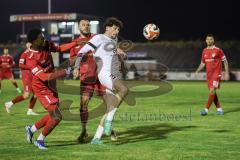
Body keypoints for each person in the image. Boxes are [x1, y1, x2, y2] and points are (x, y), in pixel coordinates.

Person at [75, 17, 128, 144]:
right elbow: (81, 52)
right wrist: (77, 66)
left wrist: (121, 56)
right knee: (124, 90)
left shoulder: (113, 41)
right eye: (115, 28)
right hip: (105, 74)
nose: (117, 32)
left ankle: (96, 138)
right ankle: (109, 121)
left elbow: (114, 54)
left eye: (118, 30)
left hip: (113, 74)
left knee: (110, 107)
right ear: (107, 28)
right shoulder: (98, 38)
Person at [24, 28, 80, 149]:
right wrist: (65, 71)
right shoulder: (30, 58)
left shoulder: (47, 45)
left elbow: (60, 48)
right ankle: (40, 140)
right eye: (41, 37)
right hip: (41, 87)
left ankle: (31, 128)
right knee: (57, 116)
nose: (44, 38)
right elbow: (43, 77)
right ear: (34, 42)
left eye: (43, 36)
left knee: (53, 113)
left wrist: (76, 43)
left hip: (52, 84)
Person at [195, 34, 229, 116]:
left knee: (212, 91)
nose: (209, 41)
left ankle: (206, 110)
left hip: (216, 74)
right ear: (206, 40)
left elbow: (225, 61)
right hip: (209, 75)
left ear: (213, 40)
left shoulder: (218, 50)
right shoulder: (204, 51)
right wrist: (197, 71)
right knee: (213, 93)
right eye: (207, 39)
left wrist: (227, 72)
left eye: (210, 39)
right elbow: (203, 63)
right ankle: (219, 110)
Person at [5, 43, 38, 115]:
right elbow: (20, 65)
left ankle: (30, 111)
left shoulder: (35, 53)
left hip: (33, 75)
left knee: (36, 93)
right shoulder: (24, 54)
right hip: (27, 76)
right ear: (28, 46)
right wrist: (31, 67)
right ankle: (9, 104)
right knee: (26, 95)